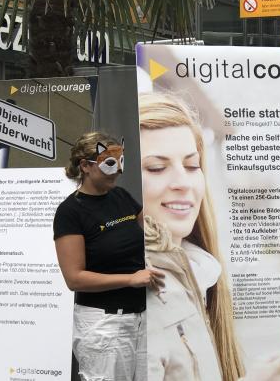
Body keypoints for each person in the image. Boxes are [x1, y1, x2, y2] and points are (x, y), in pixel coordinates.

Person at [139, 93, 280, 381]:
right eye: (157, 167)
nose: (183, 182)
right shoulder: (128, 296)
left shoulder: (199, 275)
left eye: (192, 166)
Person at [53, 132, 163, 381]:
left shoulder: (121, 197)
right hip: (104, 325)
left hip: (143, 319)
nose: (118, 171)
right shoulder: (70, 211)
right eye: (110, 163)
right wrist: (130, 279)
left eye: (121, 162)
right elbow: (74, 278)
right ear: (85, 166)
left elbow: (154, 233)